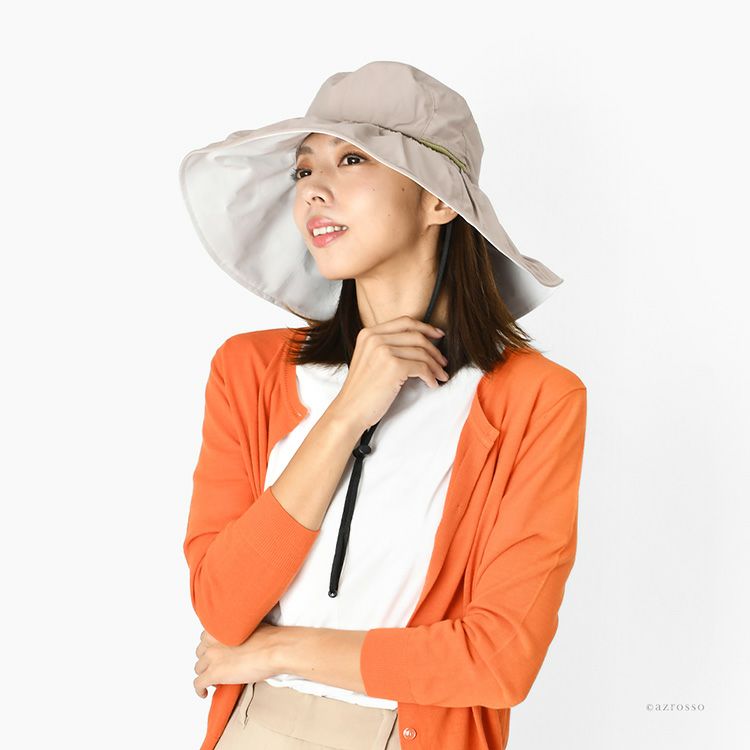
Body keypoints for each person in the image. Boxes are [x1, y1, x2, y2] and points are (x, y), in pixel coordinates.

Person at [180, 60, 588, 750]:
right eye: (303, 169)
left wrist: (277, 650)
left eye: (351, 159)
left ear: (439, 201)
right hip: (255, 728)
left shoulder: (536, 399)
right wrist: (346, 414)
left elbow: (498, 660)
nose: (314, 189)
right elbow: (222, 605)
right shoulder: (248, 371)